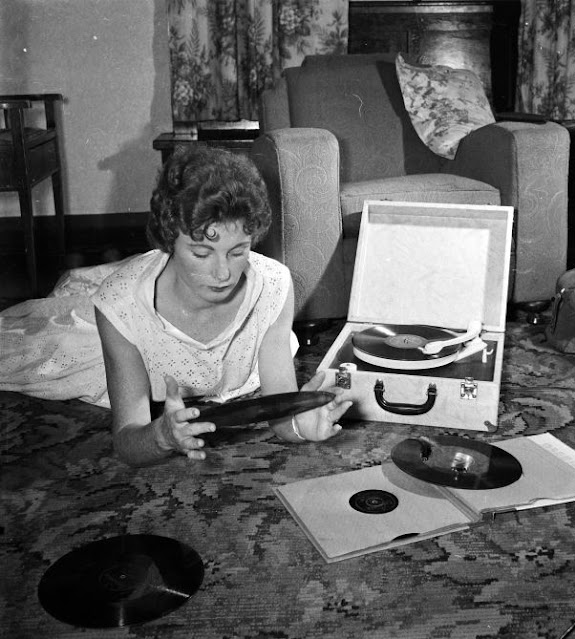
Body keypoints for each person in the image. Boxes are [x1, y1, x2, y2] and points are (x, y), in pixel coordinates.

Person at [0, 147, 351, 466]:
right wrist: (161, 436)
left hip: (235, 373)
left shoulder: (272, 286)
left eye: (237, 251)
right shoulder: (120, 306)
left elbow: (280, 413)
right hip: (126, 326)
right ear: (169, 240)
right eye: (201, 253)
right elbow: (127, 441)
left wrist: (301, 425)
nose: (223, 273)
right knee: (35, 348)